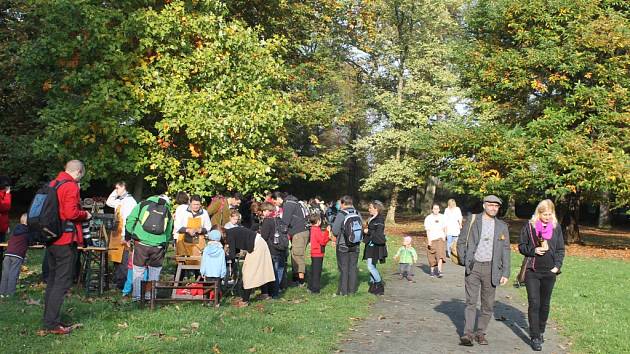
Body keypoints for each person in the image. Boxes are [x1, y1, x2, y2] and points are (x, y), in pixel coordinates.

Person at [43, 160, 91, 335]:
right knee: (61, 282)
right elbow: (71, 213)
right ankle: (52, 324)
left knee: (53, 280)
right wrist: (85, 214)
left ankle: (50, 319)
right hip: (65, 239)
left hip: (51, 237)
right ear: (78, 172)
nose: (80, 180)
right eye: (81, 177)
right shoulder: (70, 186)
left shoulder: (54, 183)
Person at [457, 195, 511, 346]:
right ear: (484, 205)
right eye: (491, 205)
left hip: (492, 268)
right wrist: (464, 259)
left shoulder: (502, 226)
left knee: (487, 304)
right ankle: (467, 334)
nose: (493, 208)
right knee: (470, 302)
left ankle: (481, 333)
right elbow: (461, 241)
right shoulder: (473, 220)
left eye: (496, 206)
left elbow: (506, 250)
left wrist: (506, 272)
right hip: (473, 267)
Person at [518, 199, 565, 351]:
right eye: (544, 214)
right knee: (534, 303)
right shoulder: (529, 227)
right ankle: (535, 336)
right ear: (539, 213)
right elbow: (521, 246)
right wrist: (534, 251)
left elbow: (560, 249)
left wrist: (557, 267)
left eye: (550, 214)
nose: (547, 217)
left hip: (549, 272)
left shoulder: (556, 227)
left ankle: (541, 330)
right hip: (533, 271)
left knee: (544, 305)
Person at [125, 195, 174, 302]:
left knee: (138, 271)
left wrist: (129, 235)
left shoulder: (143, 204)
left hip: (141, 243)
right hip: (158, 246)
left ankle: (137, 297)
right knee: (154, 272)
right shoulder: (168, 210)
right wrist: (164, 242)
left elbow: (130, 220)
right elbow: (169, 230)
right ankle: (150, 297)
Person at [226, 226, 275, 307]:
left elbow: (232, 255)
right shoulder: (231, 232)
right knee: (259, 269)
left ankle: (245, 300)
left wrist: (224, 257)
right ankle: (265, 293)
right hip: (258, 243)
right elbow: (236, 249)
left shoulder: (230, 235)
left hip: (257, 246)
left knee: (248, 273)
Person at [105, 182, 137, 290]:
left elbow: (128, 220)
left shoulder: (129, 201)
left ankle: (124, 284)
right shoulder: (119, 200)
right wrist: (116, 192)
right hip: (116, 234)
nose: (116, 190)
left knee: (124, 260)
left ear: (124, 187)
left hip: (123, 235)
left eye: (117, 188)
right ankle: (119, 282)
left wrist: (125, 236)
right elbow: (109, 202)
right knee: (116, 260)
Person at [275, 192, 309, 286]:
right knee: (295, 255)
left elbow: (285, 221)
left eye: (275, 200)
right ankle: (296, 278)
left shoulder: (289, 204)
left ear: (279, 198)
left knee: (298, 256)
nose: (275, 203)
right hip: (301, 232)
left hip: (299, 233)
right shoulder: (294, 202)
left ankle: (301, 280)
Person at [331, 195, 362, 296]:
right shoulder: (357, 213)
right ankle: (352, 291)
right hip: (356, 244)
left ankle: (343, 291)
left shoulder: (342, 214)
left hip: (343, 244)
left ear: (343, 203)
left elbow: (335, 230)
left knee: (343, 268)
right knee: (353, 267)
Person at [174, 195, 211, 266]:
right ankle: (179, 276)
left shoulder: (204, 213)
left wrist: (201, 230)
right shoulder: (183, 212)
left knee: (198, 263)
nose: (196, 206)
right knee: (181, 264)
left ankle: (198, 276)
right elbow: (177, 226)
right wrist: (187, 230)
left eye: (198, 204)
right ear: (190, 203)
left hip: (198, 242)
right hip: (183, 242)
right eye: (194, 204)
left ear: (200, 204)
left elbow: (208, 227)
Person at [259, 202, 286, 298]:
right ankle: (277, 289)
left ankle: (273, 292)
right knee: (279, 269)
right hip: (282, 247)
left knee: (273, 271)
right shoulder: (279, 219)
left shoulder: (267, 221)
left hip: (272, 249)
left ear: (267, 211)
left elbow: (264, 237)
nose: (262, 213)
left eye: (263, 211)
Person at [0, 213, 29, 297]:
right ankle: (10, 293)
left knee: (5, 274)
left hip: (7, 254)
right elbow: (31, 241)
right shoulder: (28, 232)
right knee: (13, 274)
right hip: (17, 256)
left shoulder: (15, 230)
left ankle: (2, 292)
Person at [363, 200, 387, 295]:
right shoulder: (371, 218)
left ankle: (379, 284)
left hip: (376, 246)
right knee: (372, 265)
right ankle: (373, 285)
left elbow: (378, 234)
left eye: (370, 208)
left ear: (376, 208)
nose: (369, 210)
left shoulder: (380, 220)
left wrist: (368, 231)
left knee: (370, 266)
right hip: (370, 245)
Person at [308, 214, 330, 294]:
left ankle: (310, 286)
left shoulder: (312, 229)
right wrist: (327, 233)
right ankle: (315, 289)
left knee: (313, 270)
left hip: (314, 252)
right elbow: (322, 241)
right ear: (318, 221)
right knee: (317, 272)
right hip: (318, 253)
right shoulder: (317, 230)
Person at [424, 204, 447, 278]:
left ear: (439, 209)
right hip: (432, 238)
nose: (436, 210)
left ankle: (439, 271)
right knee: (431, 256)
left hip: (440, 238)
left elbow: (445, 227)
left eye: (437, 209)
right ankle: (432, 271)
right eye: (434, 209)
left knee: (440, 255)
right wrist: (429, 240)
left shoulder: (442, 217)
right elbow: (428, 230)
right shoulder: (428, 218)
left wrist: (444, 236)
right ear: (432, 209)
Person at [0, 176, 11, 244]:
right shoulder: (4, 194)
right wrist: (7, 194)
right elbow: (5, 207)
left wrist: (6, 226)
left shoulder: (3, 194)